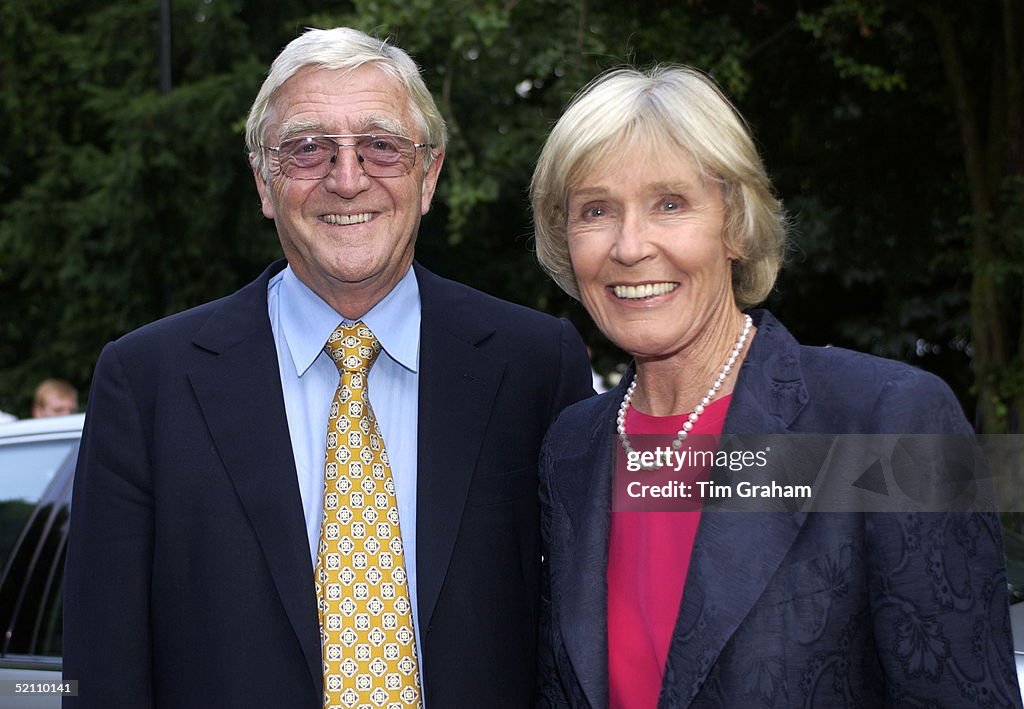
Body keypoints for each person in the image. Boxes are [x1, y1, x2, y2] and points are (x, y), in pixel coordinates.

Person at [63, 27, 593, 708]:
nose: (347, 178)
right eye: (308, 148)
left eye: (381, 145)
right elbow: (99, 674)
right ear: (263, 180)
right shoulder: (146, 385)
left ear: (429, 175)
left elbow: (583, 642)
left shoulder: (533, 367)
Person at [530, 66, 1021, 708]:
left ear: (734, 224)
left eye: (669, 204)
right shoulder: (573, 450)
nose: (629, 246)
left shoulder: (885, 420)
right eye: (596, 210)